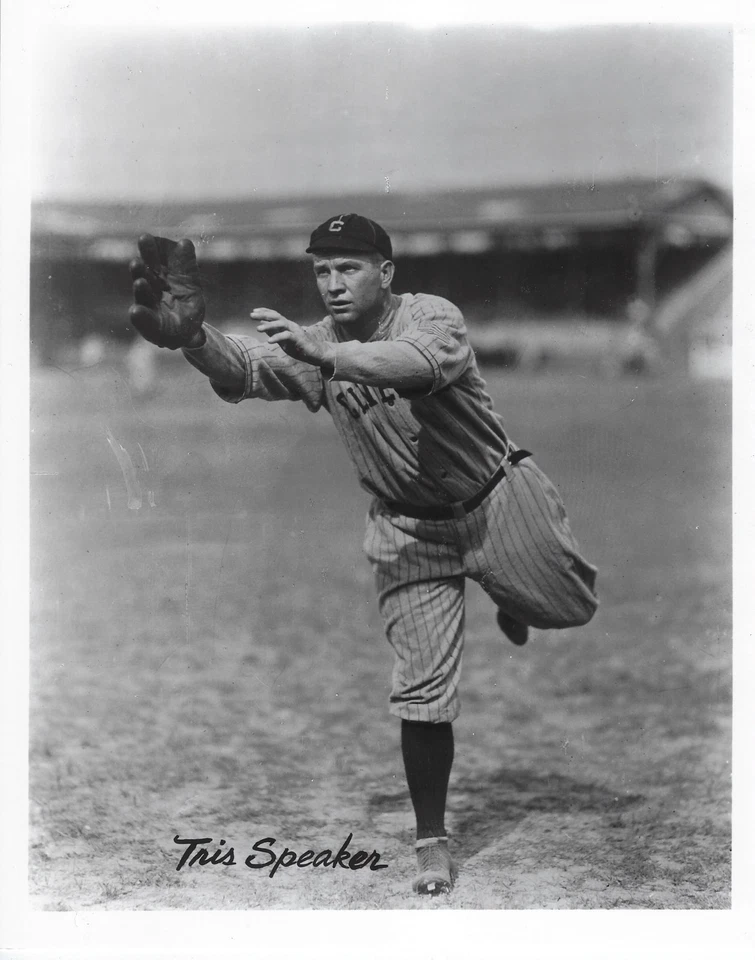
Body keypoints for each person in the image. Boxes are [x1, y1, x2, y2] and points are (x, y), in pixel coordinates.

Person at [128, 215, 599, 896]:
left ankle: (511, 594)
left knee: (569, 608)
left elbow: (414, 366)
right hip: (409, 531)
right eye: (321, 270)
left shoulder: (430, 316)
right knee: (421, 692)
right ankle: (431, 839)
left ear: (386, 272)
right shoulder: (317, 342)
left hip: (496, 501)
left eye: (348, 267)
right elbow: (251, 369)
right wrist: (194, 341)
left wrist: (328, 360)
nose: (332, 283)